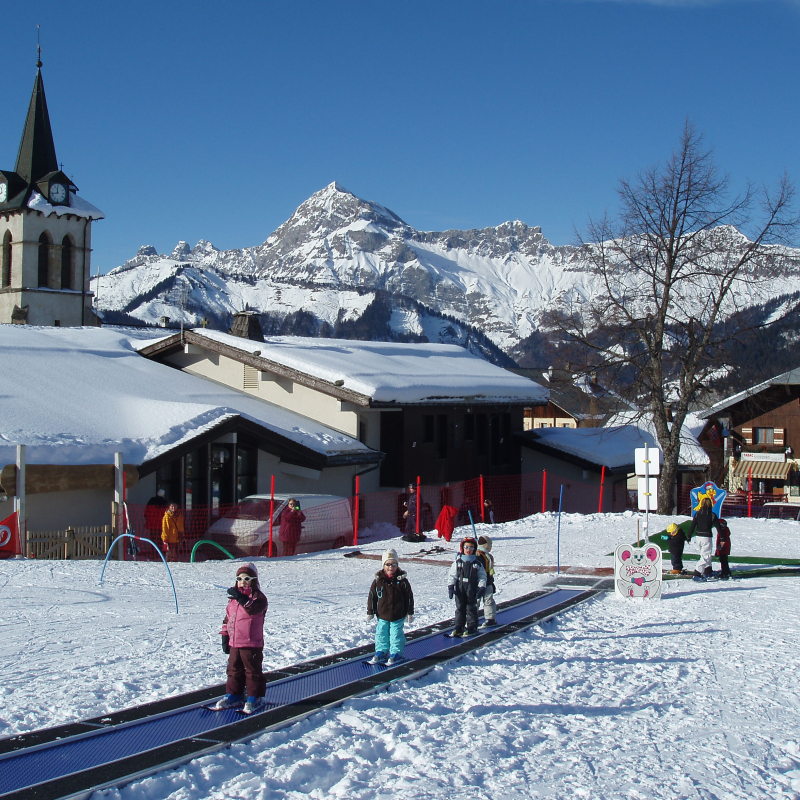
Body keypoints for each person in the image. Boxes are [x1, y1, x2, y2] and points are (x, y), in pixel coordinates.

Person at [214, 563, 269, 714]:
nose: (242, 581)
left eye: (246, 578)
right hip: (235, 642)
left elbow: (253, 608)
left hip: (251, 642)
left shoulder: (258, 598)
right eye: (239, 578)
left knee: (252, 670)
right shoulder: (233, 599)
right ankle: (234, 694)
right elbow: (228, 618)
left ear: (254, 580)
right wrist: (225, 635)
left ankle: (255, 696)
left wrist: (241, 597)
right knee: (233, 669)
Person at [366, 548, 414, 666]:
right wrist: (370, 611)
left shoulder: (402, 582)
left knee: (396, 634)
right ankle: (381, 650)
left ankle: (396, 652)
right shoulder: (378, 582)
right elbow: (372, 596)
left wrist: (409, 612)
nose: (391, 567)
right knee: (381, 633)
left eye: (393, 564)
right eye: (388, 564)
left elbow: (409, 597)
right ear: (383, 565)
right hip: (382, 614)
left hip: (397, 615)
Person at [447, 536, 487, 637]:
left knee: (471, 607)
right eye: (466, 547)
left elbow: (482, 576)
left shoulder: (477, 563)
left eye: (471, 548)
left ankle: (472, 626)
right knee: (460, 607)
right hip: (460, 587)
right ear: (462, 548)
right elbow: (452, 574)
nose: (468, 550)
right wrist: (451, 586)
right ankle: (459, 626)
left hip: (471, 588)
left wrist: (481, 587)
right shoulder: (458, 562)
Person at [687, 496, 720, 582]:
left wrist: (689, 536)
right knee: (706, 555)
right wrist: (723, 538)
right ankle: (697, 573)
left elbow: (692, 526)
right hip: (706, 537)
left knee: (704, 554)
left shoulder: (698, 514)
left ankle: (708, 570)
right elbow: (718, 527)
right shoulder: (712, 515)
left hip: (698, 537)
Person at [476, 535, 497, 628]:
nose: (491, 547)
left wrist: (491, 582)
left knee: (489, 600)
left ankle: (490, 619)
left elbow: (490, 570)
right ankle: (471, 619)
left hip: (488, 582)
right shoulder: (477, 555)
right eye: (490, 545)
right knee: (475, 601)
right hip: (478, 583)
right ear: (485, 545)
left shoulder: (489, 556)